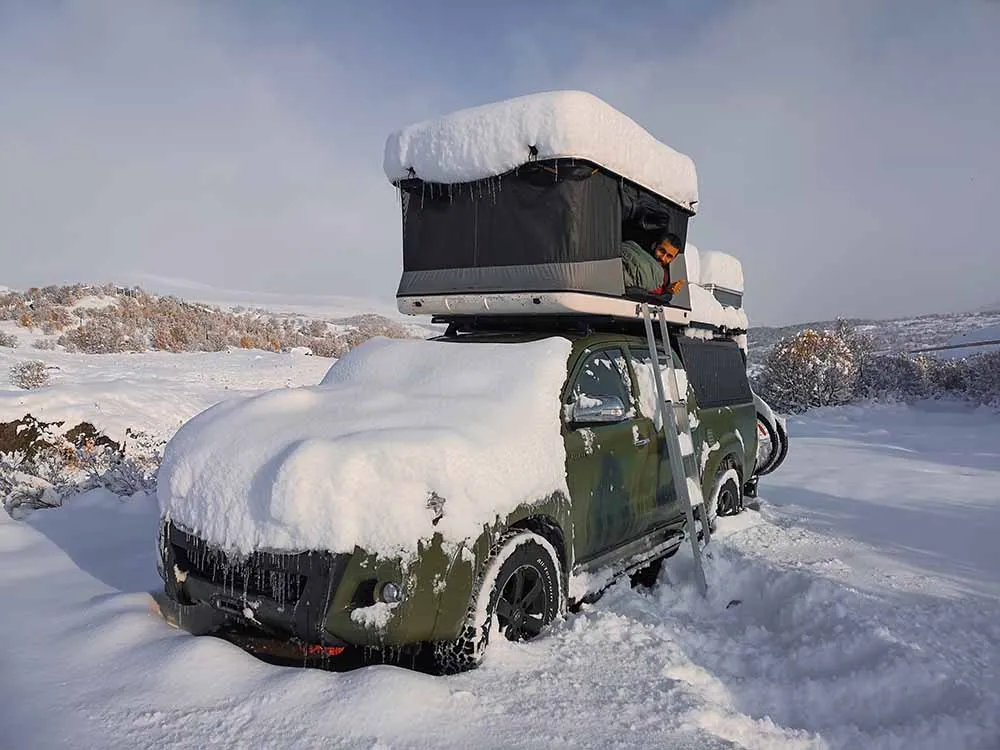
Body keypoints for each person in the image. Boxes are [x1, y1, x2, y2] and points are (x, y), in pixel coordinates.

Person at [621, 232, 686, 296]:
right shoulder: (639, 253)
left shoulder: (665, 276)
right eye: (662, 251)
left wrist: (667, 291)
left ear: (673, 259)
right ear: (654, 245)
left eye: (669, 256)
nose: (663, 258)